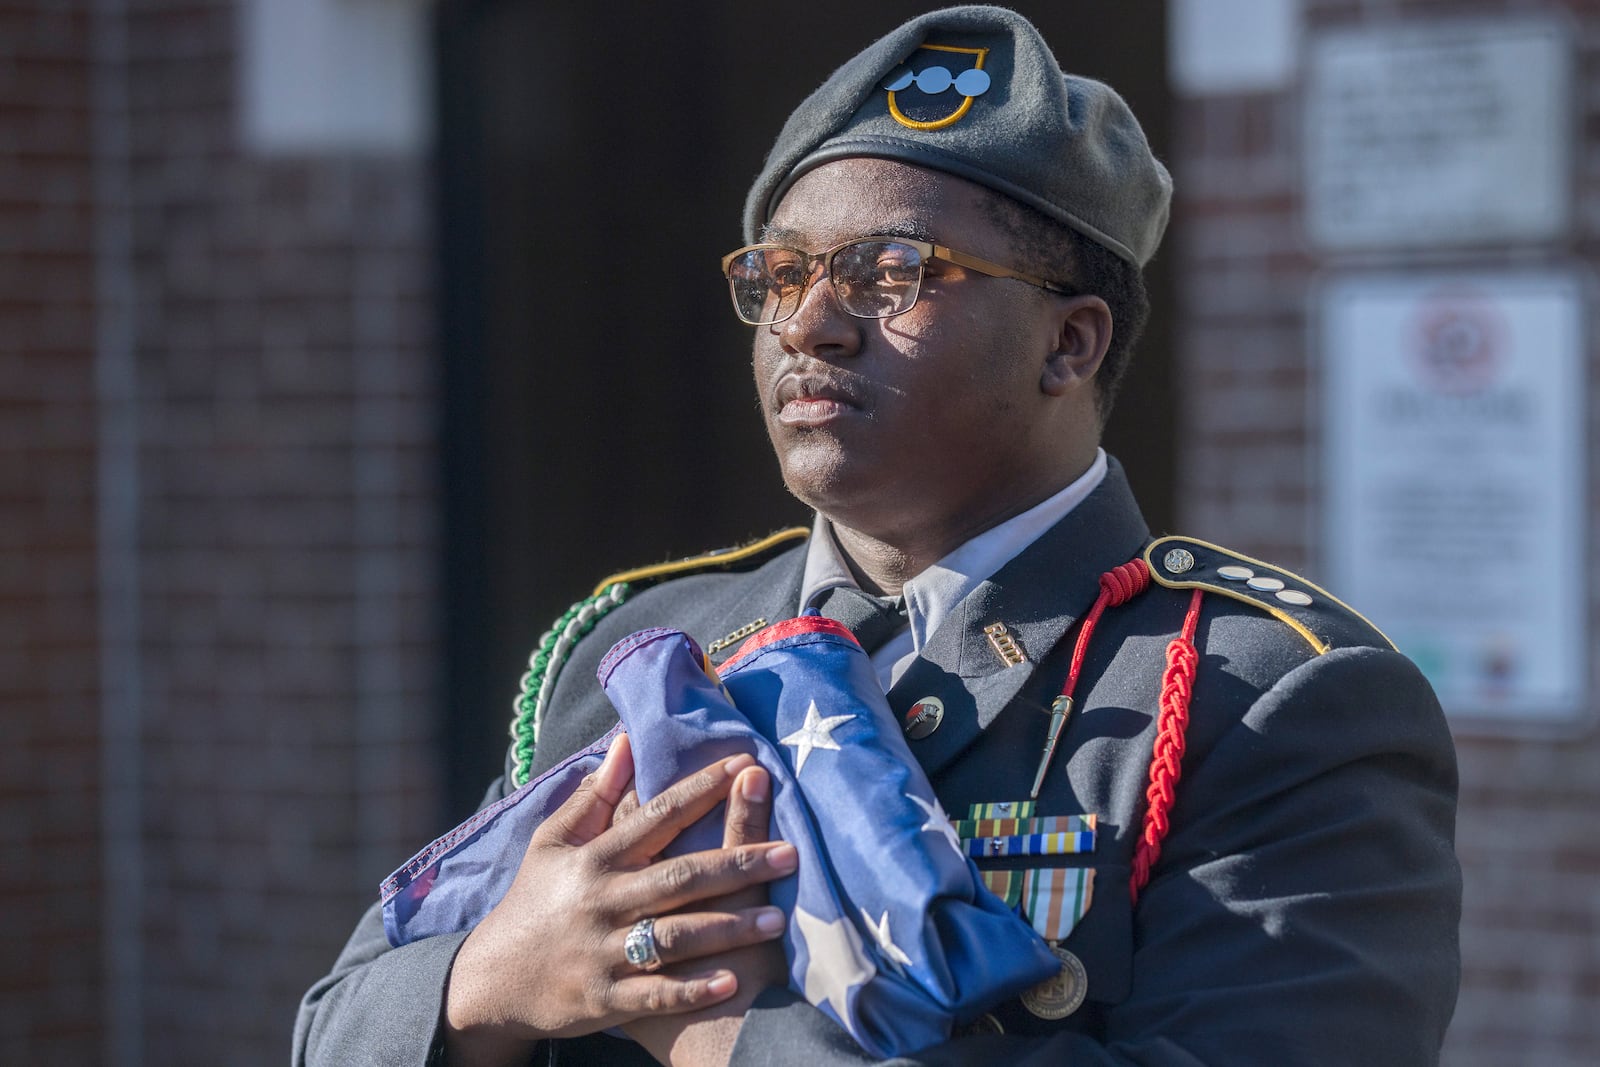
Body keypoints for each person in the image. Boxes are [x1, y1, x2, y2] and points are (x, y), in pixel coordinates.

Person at [294, 7, 1462, 1066]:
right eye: (782, 273)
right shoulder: (638, 648)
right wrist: (490, 982)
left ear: (1071, 345)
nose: (809, 324)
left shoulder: (1259, 697)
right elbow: (334, 1025)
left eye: (891, 273)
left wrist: (720, 1035)